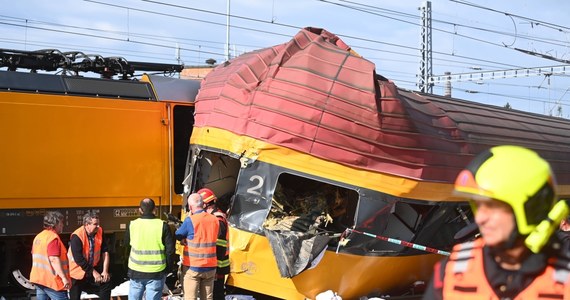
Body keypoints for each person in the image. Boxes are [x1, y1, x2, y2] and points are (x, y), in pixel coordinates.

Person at [423, 145, 570, 299]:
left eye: (492, 207)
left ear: (531, 209)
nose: (480, 218)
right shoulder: (452, 271)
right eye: (477, 206)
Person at [125, 198, 175, 300]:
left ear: (140, 210)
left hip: (136, 270)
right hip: (156, 272)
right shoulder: (163, 225)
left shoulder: (132, 224)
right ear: (155, 209)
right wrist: (169, 268)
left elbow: (126, 245)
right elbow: (170, 250)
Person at [176, 192, 220, 300]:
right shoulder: (214, 219)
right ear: (203, 204)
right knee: (208, 298)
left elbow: (178, 235)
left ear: (190, 207)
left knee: (190, 297)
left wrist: (184, 239)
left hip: (193, 267)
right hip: (210, 267)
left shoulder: (190, 220)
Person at [68, 212, 113, 300]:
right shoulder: (77, 236)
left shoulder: (99, 231)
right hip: (77, 272)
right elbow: (79, 259)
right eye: (95, 224)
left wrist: (105, 271)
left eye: (98, 223)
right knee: (75, 297)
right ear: (86, 225)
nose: (98, 226)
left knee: (106, 285)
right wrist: (94, 273)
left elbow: (105, 252)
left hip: (92, 269)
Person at [30, 210, 71, 300]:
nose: (62, 225)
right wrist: (64, 278)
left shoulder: (38, 237)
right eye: (61, 222)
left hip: (39, 279)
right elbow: (54, 259)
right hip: (52, 281)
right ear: (55, 223)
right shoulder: (53, 238)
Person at [199, 188, 230, 300]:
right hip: (214, 265)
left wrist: (215, 267)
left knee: (216, 294)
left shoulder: (218, 219)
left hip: (218, 266)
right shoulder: (213, 217)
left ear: (205, 205)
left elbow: (220, 246)